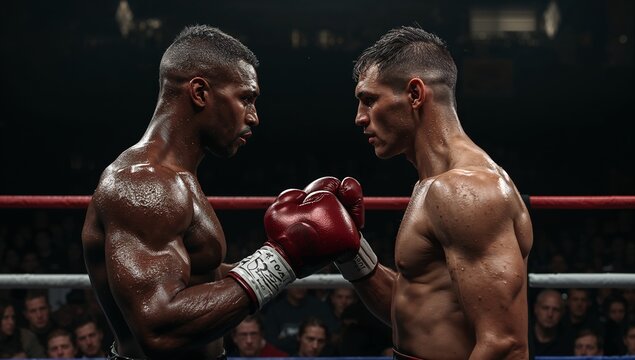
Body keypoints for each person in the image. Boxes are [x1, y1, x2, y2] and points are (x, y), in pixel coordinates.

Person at [81, 24, 360, 360]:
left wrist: (298, 250)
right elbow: (159, 328)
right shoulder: (145, 184)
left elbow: (201, 278)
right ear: (200, 93)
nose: (254, 117)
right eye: (246, 98)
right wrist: (283, 258)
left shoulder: (177, 179)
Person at [329, 26, 533, 359]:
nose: (359, 118)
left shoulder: (465, 190)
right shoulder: (433, 184)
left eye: (369, 100)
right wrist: (351, 251)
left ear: (414, 94)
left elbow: (504, 344)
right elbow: (416, 309)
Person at [529, 289, 570, 356]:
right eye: (545, 308)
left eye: (556, 309)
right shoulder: (523, 337)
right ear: (535, 308)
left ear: (563, 313)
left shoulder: (568, 342)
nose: (550, 314)